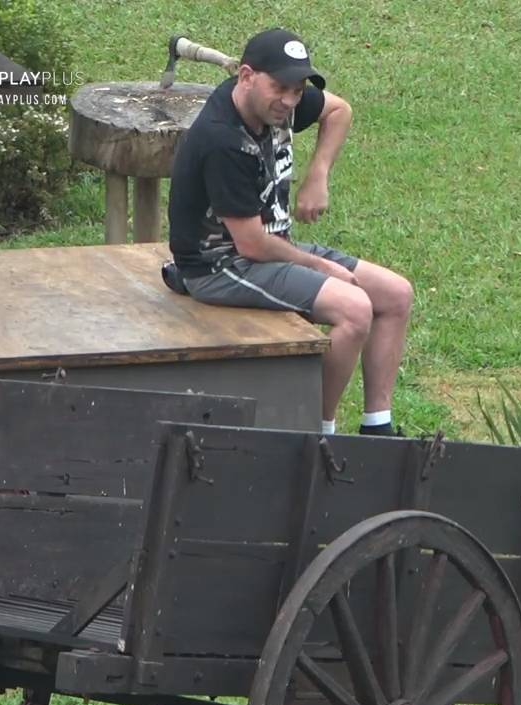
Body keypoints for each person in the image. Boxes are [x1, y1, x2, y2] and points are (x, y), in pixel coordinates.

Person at [165, 27, 412, 436]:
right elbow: (251, 244)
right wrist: (321, 268)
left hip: (272, 248)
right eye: (280, 88)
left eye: (297, 90)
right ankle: (319, 435)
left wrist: (318, 175)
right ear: (246, 77)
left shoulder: (277, 106)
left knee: (396, 294)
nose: (290, 100)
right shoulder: (222, 140)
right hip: (221, 266)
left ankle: (377, 429)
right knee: (354, 309)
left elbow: (339, 110)